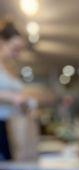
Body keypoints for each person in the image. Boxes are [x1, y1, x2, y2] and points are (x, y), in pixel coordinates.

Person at [0, 20, 26, 160]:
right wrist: (12, 97)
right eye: (15, 48)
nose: (18, 54)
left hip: (10, 126)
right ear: (2, 42)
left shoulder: (9, 68)